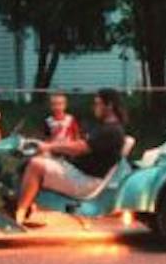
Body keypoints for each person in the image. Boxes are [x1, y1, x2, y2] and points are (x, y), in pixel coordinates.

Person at [15, 87, 128, 227]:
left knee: (35, 165)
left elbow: (80, 148)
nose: (94, 107)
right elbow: (82, 145)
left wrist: (50, 146)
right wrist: (52, 148)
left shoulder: (111, 131)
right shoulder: (107, 127)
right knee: (37, 160)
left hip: (85, 180)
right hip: (79, 173)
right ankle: (32, 208)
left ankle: (19, 215)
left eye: (98, 103)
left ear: (109, 105)